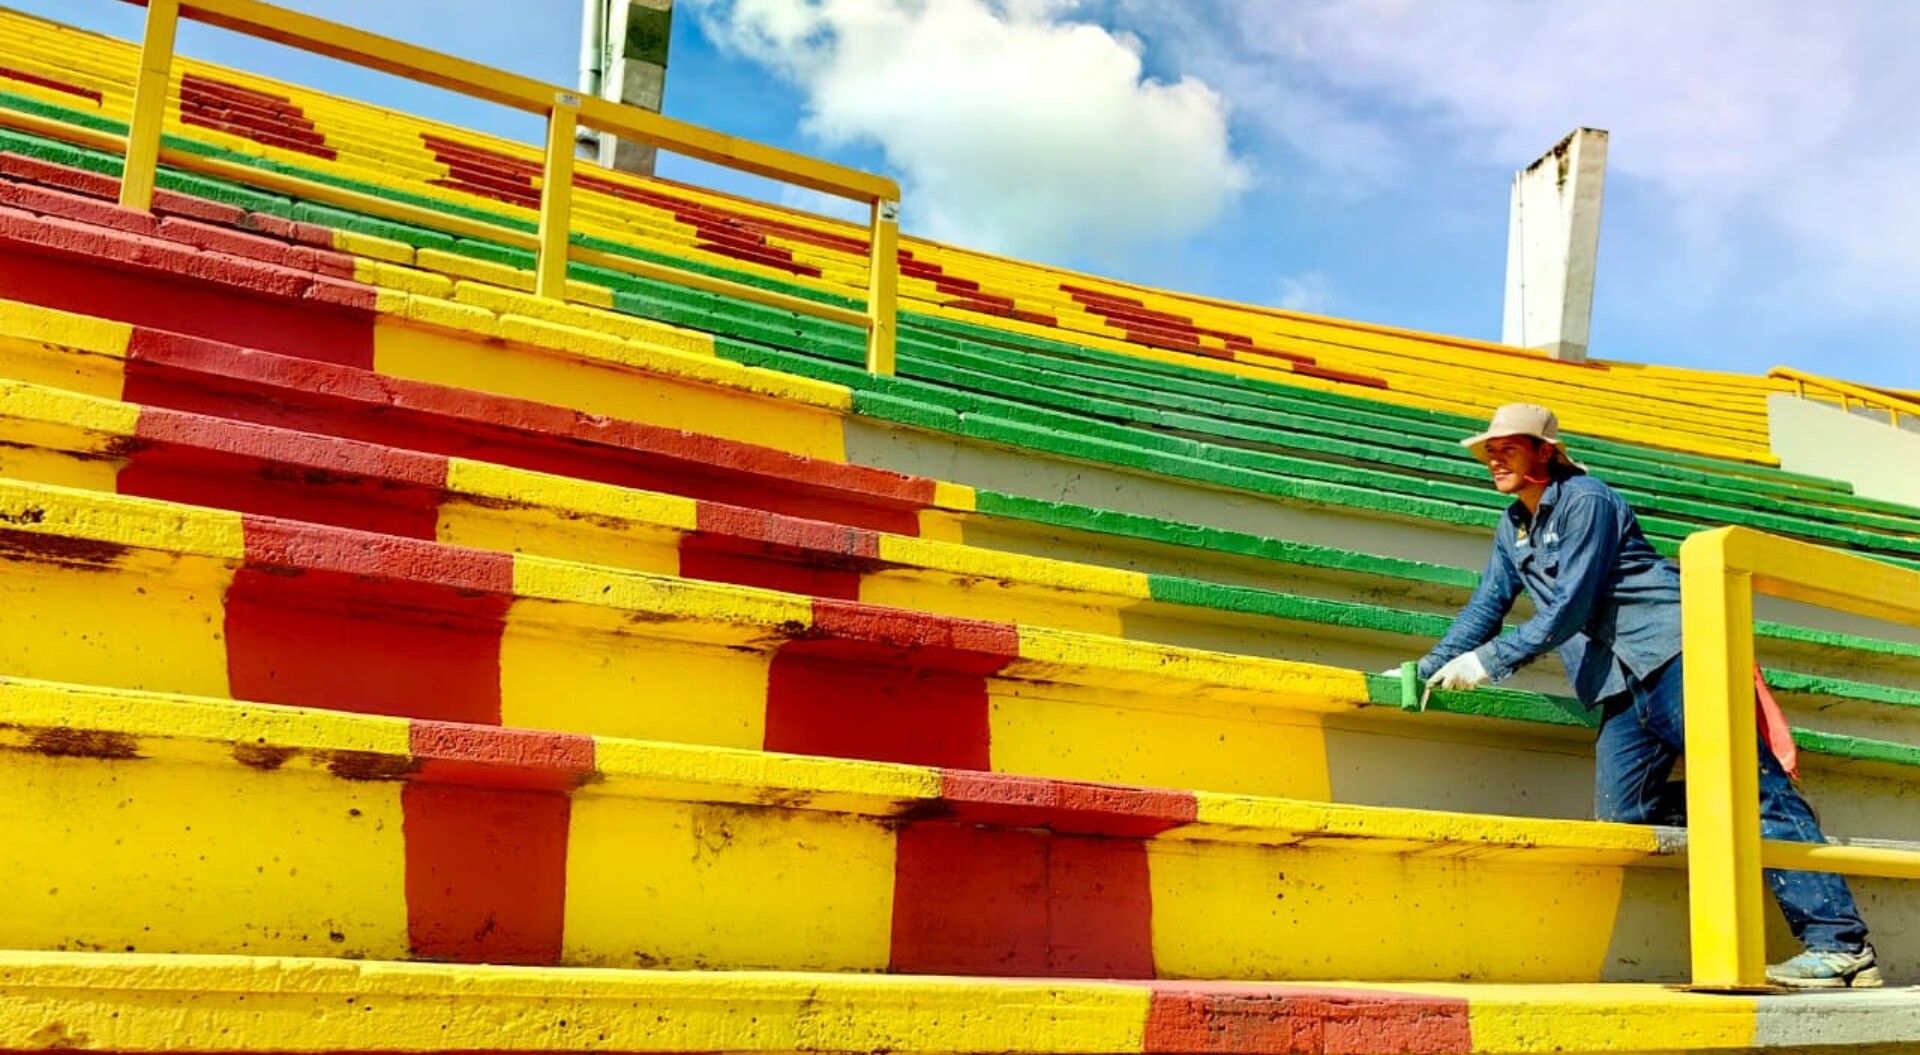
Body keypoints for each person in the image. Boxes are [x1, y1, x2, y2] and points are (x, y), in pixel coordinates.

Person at [1401, 402, 1878, 989]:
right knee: (1624, 819)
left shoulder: (1587, 499)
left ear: (1545, 451)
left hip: (1673, 654)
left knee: (1749, 789)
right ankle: (1760, 806)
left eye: (1509, 448)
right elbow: (1486, 607)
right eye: (1489, 451)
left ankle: (1840, 945)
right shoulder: (1512, 525)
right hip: (1616, 684)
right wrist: (1426, 668)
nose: (1494, 459)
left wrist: (1490, 662)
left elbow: (1571, 605)